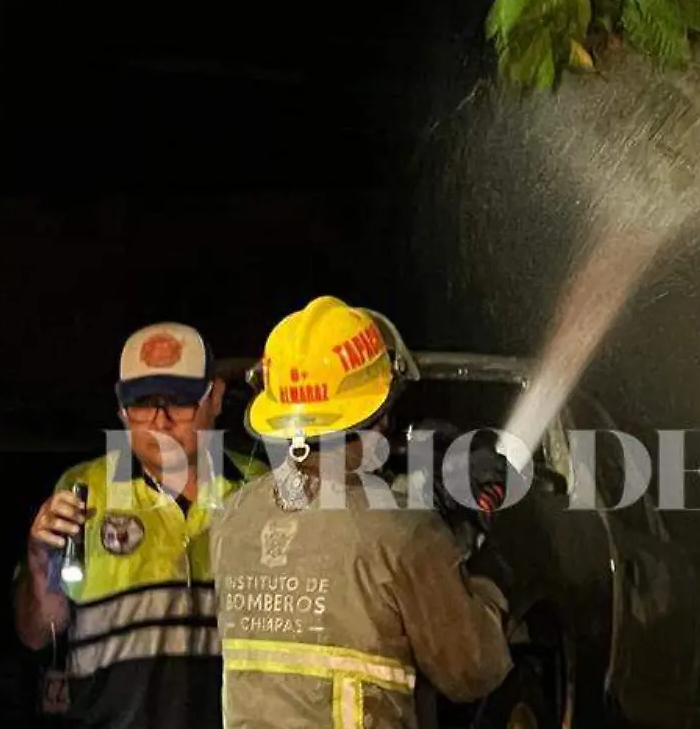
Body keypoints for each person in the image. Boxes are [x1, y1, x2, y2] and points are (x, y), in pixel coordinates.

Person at [210, 296, 516, 729]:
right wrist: (487, 575)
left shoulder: (232, 518)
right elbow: (470, 671)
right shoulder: (402, 533)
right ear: (380, 411)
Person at [13, 322, 267, 729]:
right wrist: (40, 562)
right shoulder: (82, 491)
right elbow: (38, 635)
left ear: (215, 396)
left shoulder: (259, 490)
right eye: (143, 402)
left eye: (180, 401)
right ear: (120, 408)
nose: (161, 421)